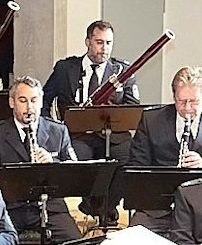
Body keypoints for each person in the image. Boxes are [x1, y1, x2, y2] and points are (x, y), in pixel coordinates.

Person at [0, 75, 79, 241]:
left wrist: (53, 163)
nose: (29, 107)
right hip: (12, 207)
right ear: (12, 103)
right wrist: (21, 177)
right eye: (23, 100)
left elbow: (73, 172)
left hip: (50, 207)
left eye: (34, 100)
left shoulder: (58, 131)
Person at [41, 19, 139, 164]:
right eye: (99, 42)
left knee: (130, 162)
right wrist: (52, 130)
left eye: (108, 43)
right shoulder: (65, 69)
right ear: (88, 42)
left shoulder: (122, 71)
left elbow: (133, 109)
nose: (105, 48)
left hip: (115, 138)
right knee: (76, 166)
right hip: (78, 136)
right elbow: (43, 100)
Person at [127, 66, 202, 169]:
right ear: (174, 97)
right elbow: (137, 163)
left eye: (193, 101)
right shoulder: (151, 120)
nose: (187, 108)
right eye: (181, 101)